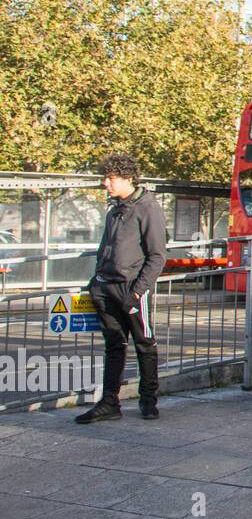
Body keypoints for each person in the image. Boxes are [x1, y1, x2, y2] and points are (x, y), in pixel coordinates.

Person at [75, 153, 166, 425]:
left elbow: (157, 255)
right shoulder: (115, 209)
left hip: (131, 288)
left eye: (111, 178)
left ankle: (148, 401)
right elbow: (106, 248)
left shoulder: (148, 208)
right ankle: (109, 403)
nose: (106, 183)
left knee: (144, 345)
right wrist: (96, 283)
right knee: (114, 346)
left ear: (128, 178)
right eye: (106, 178)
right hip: (106, 288)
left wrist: (137, 291)